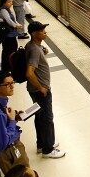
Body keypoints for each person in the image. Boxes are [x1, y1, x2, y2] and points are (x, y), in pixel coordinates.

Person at [25, 21, 65, 159]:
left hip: (34, 90)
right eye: (42, 31)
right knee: (47, 119)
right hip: (40, 91)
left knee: (39, 117)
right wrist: (41, 87)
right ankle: (48, 149)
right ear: (34, 34)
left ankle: (41, 144)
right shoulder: (35, 50)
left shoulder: (32, 46)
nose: (45, 33)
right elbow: (29, 73)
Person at [0, 0, 23, 73]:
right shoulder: (3, 10)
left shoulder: (7, 9)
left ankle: (8, 66)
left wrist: (17, 23)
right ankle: (7, 67)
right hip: (7, 35)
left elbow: (13, 19)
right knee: (9, 50)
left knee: (10, 49)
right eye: (9, 2)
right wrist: (16, 25)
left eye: (11, 1)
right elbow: (9, 20)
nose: (11, 3)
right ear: (4, 2)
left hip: (10, 34)